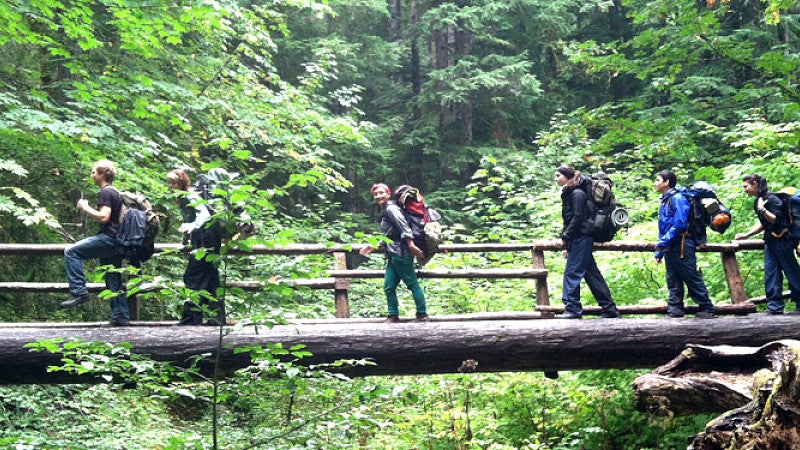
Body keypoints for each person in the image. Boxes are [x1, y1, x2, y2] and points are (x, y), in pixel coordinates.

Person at [60, 159, 130, 326]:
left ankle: (79, 292)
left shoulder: (106, 192)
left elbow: (104, 217)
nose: (91, 176)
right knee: (113, 276)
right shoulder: (115, 192)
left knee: (71, 252)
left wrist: (84, 207)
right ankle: (121, 316)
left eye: (93, 172)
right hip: (118, 241)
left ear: (102, 174)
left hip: (110, 239)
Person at [554, 165, 620, 319]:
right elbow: (571, 220)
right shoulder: (572, 192)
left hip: (582, 238)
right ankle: (609, 309)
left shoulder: (577, 193)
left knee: (572, 273)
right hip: (579, 239)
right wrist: (567, 243)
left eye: (558, 175)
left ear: (567, 176)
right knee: (592, 275)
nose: (556, 179)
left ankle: (572, 309)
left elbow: (577, 219)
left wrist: (564, 238)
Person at [359, 183, 429, 322]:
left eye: (381, 193)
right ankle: (393, 315)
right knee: (389, 286)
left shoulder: (391, 209)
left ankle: (422, 314)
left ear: (388, 194)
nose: (378, 196)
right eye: (375, 194)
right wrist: (376, 245)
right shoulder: (387, 209)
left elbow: (404, 227)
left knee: (412, 284)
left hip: (402, 254)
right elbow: (391, 234)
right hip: (393, 254)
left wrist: (411, 245)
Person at [734, 174, 800, 315]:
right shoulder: (759, 200)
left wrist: (762, 209)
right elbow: (764, 223)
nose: (744, 190)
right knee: (771, 273)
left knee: (791, 271)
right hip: (770, 241)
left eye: (746, 186)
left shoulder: (772, 199)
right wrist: (747, 235)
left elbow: (776, 219)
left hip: (783, 240)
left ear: (755, 184)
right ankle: (774, 307)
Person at [653, 170, 715, 319]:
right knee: (672, 277)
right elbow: (664, 226)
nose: (655, 183)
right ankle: (675, 309)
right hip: (670, 244)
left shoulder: (678, 198)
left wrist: (663, 242)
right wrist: (660, 250)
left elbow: (680, 223)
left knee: (690, 275)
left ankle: (707, 307)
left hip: (682, 243)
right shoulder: (665, 200)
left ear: (666, 182)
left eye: (657, 179)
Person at [166, 169, 225, 326]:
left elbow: (204, 214)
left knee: (192, 277)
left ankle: (190, 318)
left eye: (173, 182)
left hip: (206, 239)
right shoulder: (183, 197)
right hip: (206, 238)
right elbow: (189, 218)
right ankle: (217, 318)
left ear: (181, 182)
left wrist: (193, 226)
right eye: (169, 183)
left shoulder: (189, 195)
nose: (170, 186)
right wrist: (186, 237)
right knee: (211, 279)